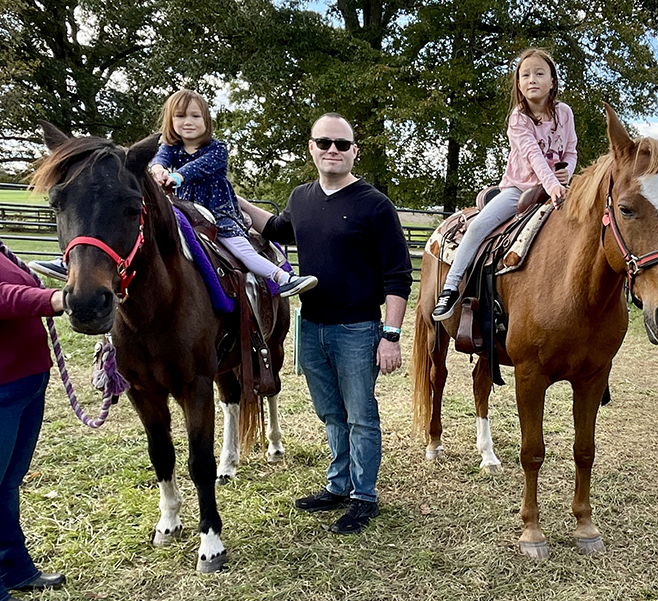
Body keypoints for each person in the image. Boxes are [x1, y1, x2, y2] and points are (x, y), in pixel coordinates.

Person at [239, 112, 412, 534]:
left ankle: (363, 496)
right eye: (323, 143)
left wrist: (390, 336)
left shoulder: (374, 205)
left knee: (360, 415)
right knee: (330, 413)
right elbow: (279, 229)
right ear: (311, 149)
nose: (332, 150)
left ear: (354, 151)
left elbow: (398, 276)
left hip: (357, 329)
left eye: (341, 144)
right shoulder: (301, 197)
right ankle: (338, 485)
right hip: (311, 325)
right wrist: (236, 200)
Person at [29, 89, 317, 299]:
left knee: (237, 246)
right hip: (180, 212)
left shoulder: (217, 149)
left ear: (206, 121)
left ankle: (281, 277)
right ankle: (71, 262)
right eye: (180, 116)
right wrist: (157, 172)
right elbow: (158, 162)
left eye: (195, 116)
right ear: (171, 121)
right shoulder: (168, 147)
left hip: (216, 213)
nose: (187, 122)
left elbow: (202, 167)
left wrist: (177, 175)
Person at [431, 47, 577, 320]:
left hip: (556, 188)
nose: (532, 79)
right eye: (525, 75)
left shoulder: (564, 113)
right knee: (477, 227)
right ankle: (450, 288)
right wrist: (552, 185)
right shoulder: (518, 119)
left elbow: (570, 151)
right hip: (519, 189)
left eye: (539, 73)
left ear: (552, 82)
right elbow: (533, 155)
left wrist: (566, 172)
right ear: (519, 85)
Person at [1, 243, 67, 601]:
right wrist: (55, 300)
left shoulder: (2, 252)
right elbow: (5, 297)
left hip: (25, 383)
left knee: (8, 483)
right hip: (3, 389)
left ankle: (15, 568)